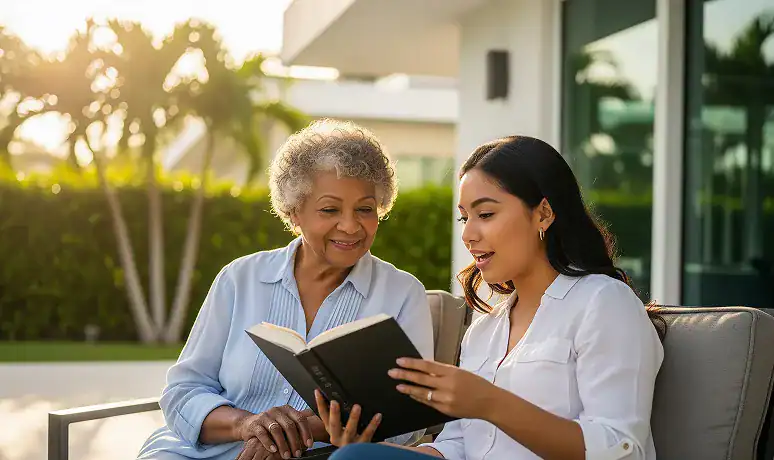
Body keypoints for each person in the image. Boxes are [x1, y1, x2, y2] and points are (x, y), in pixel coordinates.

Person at [317, 135, 666, 460]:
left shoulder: (603, 303)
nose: (468, 234)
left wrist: (490, 403)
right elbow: (457, 447)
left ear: (543, 213)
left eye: (485, 214)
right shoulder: (485, 329)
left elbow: (623, 449)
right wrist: (374, 451)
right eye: (464, 218)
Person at [136, 119, 435, 460]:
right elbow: (183, 392)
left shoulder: (402, 293)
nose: (351, 226)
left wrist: (290, 434)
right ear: (294, 212)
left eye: (365, 209)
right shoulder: (240, 277)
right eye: (330, 209)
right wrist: (249, 426)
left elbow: (408, 417)